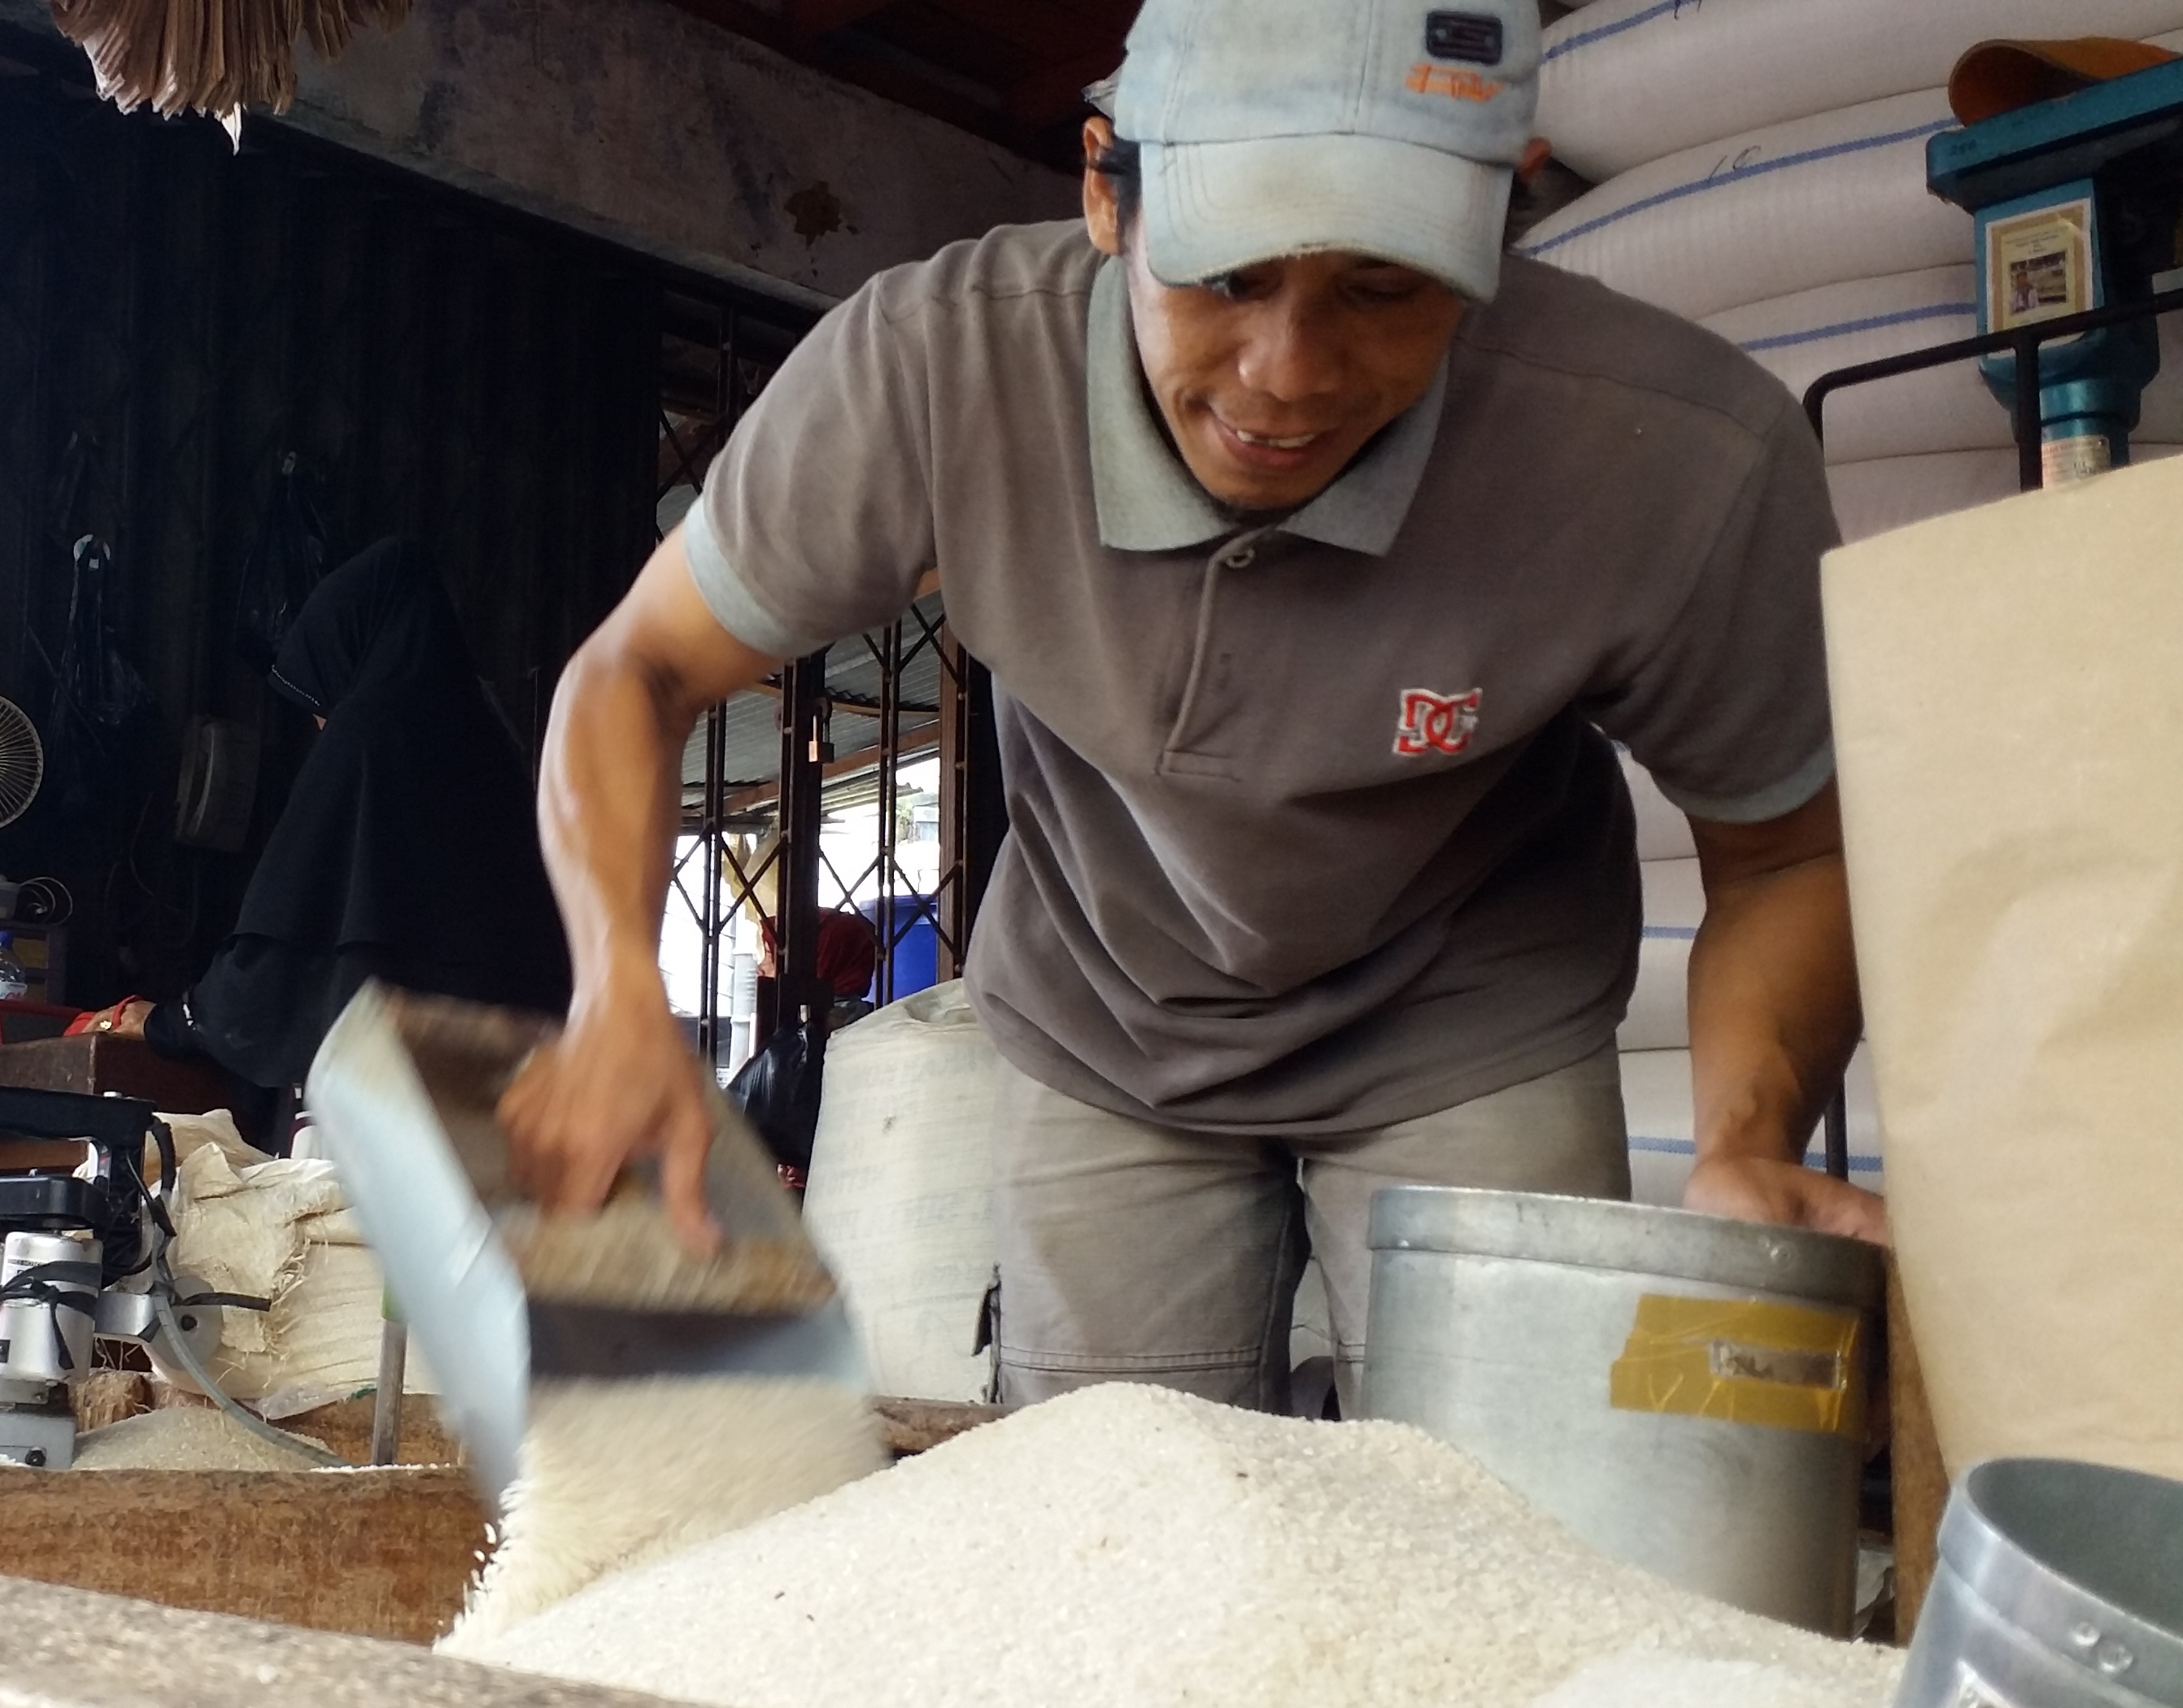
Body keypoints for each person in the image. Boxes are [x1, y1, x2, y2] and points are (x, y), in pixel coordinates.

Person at [499, 0, 1884, 1415]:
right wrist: (616, 985)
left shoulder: (1668, 457)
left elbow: (1786, 848)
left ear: (1503, 213)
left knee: (1500, 1524)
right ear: (1105, 186)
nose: (1286, 377)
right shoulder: (933, 372)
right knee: (1111, 1514)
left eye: (1384, 285)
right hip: (1105, 1018)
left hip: (1469, 1018)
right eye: (1223, 275)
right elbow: (637, 669)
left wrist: (1743, 1130)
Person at [81, 538, 572, 1087]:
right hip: (516, 1094)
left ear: (348, 651)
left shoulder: (365, 738)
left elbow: (280, 965)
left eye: (318, 702)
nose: (319, 723)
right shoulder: (493, 748)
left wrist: (172, 1023)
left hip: (391, 1107)